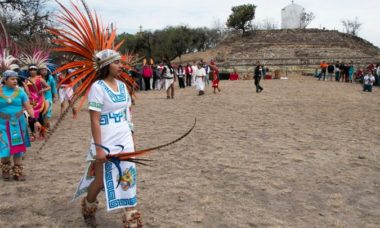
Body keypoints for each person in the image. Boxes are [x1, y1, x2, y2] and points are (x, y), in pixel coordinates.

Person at [0, 70, 41, 181]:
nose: (15, 81)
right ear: (5, 79)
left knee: (18, 148)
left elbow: (28, 107)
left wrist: (35, 120)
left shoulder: (21, 92)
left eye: (15, 79)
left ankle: (18, 172)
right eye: (12, 79)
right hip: (2, 125)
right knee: (5, 147)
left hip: (18, 124)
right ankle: (5, 170)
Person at [24, 65, 50, 141]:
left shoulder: (40, 78)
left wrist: (42, 90)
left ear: (36, 70)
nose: (32, 71)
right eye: (30, 69)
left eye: (34, 69)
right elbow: (26, 89)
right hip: (31, 100)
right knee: (30, 116)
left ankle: (42, 132)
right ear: (28, 71)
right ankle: (33, 133)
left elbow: (48, 87)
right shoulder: (27, 79)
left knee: (39, 116)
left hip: (39, 99)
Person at [40, 64, 57, 129]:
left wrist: (55, 96)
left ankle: (45, 127)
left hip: (48, 97)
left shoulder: (50, 78)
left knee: (47, 111)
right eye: (42, 70)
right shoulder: (38, 78)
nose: (44, 71)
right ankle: (45, 125)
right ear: (39, 71)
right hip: (40, 98)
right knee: (42, 112)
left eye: (45, 70)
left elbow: (53, 87)